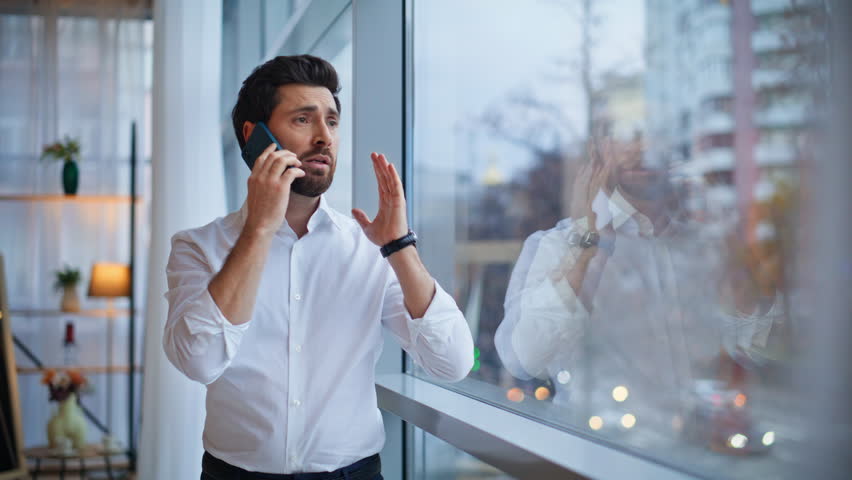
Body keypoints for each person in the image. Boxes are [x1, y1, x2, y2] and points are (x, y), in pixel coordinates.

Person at [163, 55, 474, 479]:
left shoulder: (370, 250)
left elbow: (452, 362)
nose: (324, 137)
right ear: (255, 137)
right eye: (303, 120)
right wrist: (258, 230)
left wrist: (399, 247)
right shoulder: (197, 247)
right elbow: (198, 361)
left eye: (332, 121)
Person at [494, 139, 779, 453]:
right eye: (627, 132)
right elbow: (521, 359)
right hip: (596, 457)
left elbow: (748, 350)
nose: (641, 145)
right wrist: (585, 247)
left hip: (693, 460)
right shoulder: (556, 245)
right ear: (598, 154)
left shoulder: (702, 247)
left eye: (650, 132)